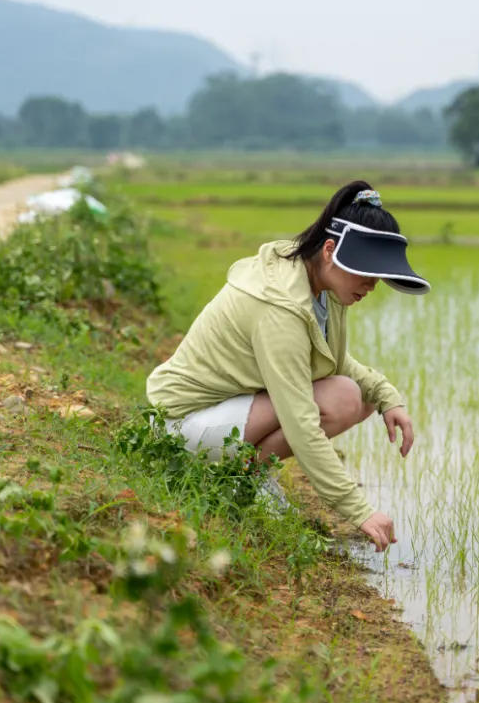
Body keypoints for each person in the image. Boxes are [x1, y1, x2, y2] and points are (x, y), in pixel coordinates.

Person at [146, 181, 430, 552]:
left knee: (359, 395)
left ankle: (244, 474)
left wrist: (388, 398)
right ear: (330, 251)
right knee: (342, 397)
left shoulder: (322, 288)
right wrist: (359, 511)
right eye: (366, 273)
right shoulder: (280, 307)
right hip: (180, 425)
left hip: (229, 412)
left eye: (378, 276)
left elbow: (335, 363)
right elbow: (300, 422)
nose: (372, 285)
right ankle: (241, 480)